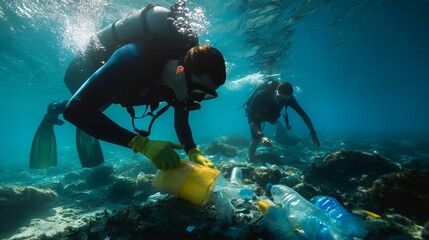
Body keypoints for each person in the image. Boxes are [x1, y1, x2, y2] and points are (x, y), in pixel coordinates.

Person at [30, 2, 227, 171]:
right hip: (91, 72)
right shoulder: (133, 58)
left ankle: (81, 111)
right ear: (180, 71)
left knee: (101, 104)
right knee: (88, 106)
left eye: (207, 95)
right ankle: (54, 109)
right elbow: (74, 111)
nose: (197, 100)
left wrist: (193, 150)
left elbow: (181, 122)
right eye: (199, 92)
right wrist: (141, 144)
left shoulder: (180, 87)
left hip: (122, 90)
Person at [244, 81, 320, 161]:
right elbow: (251, 120)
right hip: (257, 114)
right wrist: (262, 136)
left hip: (272, 115)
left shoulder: (289, 100)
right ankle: (250, 160)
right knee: (256, 139)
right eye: (280, 98)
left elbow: (304, 115)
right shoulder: (261, 95)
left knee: (274, 119)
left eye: (286, 99)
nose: (282, 102)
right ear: (276, 91)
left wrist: (313, 133)